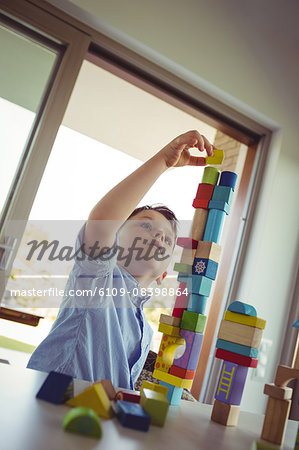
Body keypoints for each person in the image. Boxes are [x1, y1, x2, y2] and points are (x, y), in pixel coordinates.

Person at [27, 130, 214, 389]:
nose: (159, 236)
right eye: (146, 227)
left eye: (167, 240)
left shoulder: (146, 332)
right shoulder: (98, 277)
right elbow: (102, 219)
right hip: (54, 405)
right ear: (113, 241)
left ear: (163, 275)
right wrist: (162, 161)